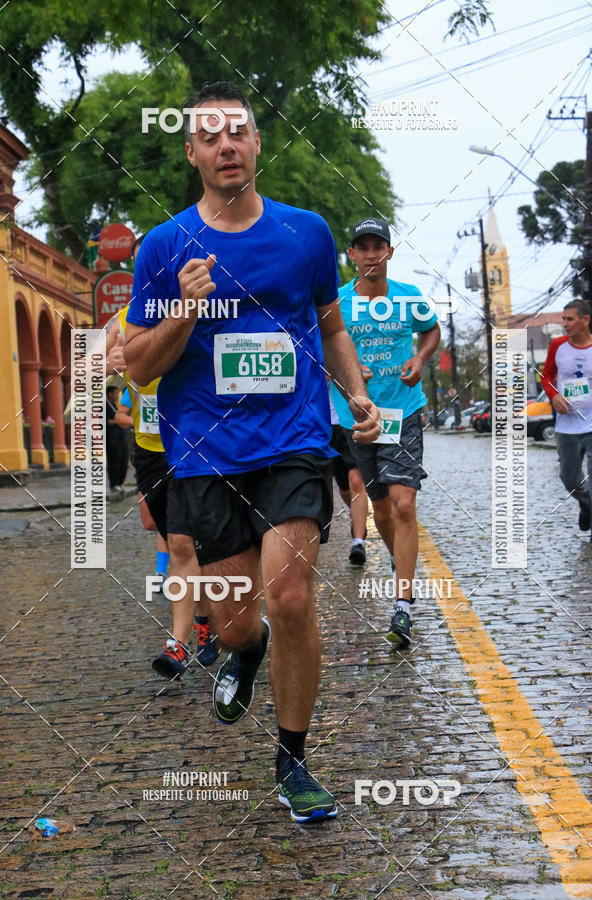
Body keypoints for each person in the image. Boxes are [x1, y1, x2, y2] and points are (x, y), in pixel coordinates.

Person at [124, 81, 381, 824]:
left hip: (294, 442)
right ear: (192, 152)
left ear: (257, 142)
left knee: (293, 595)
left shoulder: (306, 234)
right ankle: (245, 649)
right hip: (205, 455)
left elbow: (331, 329)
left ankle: (294, 759)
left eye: (238, 132)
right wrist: (185, 307)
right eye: (210, 136)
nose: (226, 145)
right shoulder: (165, 247)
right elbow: (139, 365)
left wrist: (355, 394)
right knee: (236, 621)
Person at [106, 237, 219, 669]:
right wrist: (110, 363)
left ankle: (178, 643)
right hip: (150, 449)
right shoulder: (122, 318)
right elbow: (87, 370)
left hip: (192, 443)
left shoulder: (199, 306)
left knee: (182, 544)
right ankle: (206, 621)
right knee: (179, 543)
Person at [330, 217, 440, 648]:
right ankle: (401, 565)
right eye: (363, 247)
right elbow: (318, 349)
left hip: (403, 413)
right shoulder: (337, 301)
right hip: (357, 416)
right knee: (380, 509)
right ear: (352, 255)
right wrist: (348, 371)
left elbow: (432, 330)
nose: (371, 254)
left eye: (379, 246)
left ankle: (403, 606)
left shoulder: (409, 298)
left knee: (404, 503)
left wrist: (422, 359)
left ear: (390, 253)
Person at [541, 299, 592, 544]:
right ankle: (587, 507)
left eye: (570, 319)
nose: (564, 324)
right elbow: (547, 376)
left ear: (585, 320)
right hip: (567, 426)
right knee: (570, 479)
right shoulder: (557, 346)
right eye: (563, 319)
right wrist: (553, 396)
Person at [328, 377, 369, 566]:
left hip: (349, 421)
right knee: (343, 486)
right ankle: (357, 516)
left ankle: (358, 542)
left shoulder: (347, 347)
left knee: (356, 481)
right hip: (324, 423)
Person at [105, 385, 128, 496]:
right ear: (109, 394)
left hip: (120, 436)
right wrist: (118, 420)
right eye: (115, 393)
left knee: (123, 459)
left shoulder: (114, 405)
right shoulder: (104, 406)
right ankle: (114, 484)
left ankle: (120, 482)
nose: (116, 395)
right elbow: (106, 422)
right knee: (114, 460)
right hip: (111, 438)